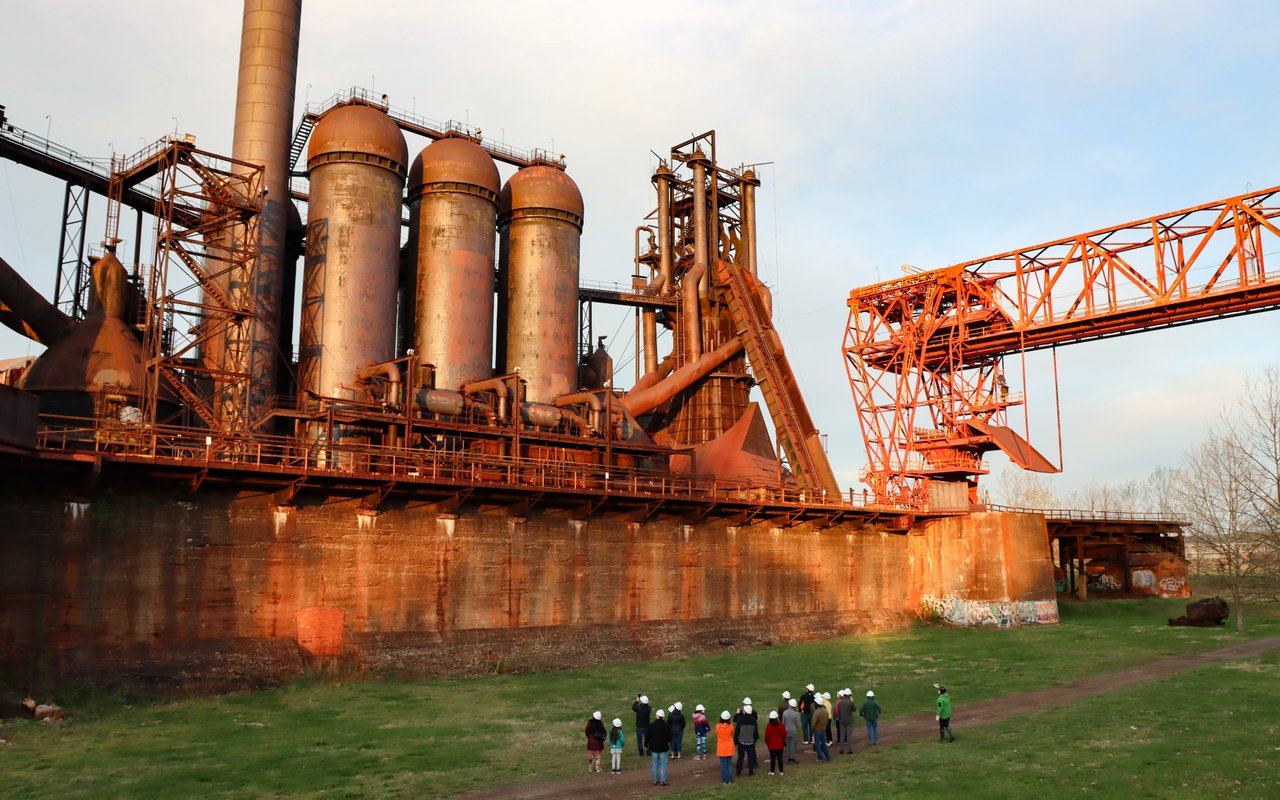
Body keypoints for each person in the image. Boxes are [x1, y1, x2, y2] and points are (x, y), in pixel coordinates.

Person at [647, 707, 672, 785]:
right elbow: (670, 737)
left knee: (655, 764)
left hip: (654, 748)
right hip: (663, 747)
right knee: (663, 764)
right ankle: (663, 780)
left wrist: (646, 745)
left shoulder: (651, 726)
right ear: (663, 717)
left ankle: (655, 780)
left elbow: (648, 737)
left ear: (657, 716)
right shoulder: (666, 726)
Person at [734, 702, 759, 777]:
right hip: (750, 742)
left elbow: (737, 731)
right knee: (751, 757)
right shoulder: (753, 720)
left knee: (740, 757)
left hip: (741, 742)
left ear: (745, 711)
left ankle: (738, 772)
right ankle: (751, 771)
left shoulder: (740, 719)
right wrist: (754, 740)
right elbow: (755, 732)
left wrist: (736, 741)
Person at [764, 709, 787, 776]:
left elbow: (767, 737)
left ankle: (772, 771)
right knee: (780, 758)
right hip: (780, 745)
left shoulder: (769, 726)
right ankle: (781, 771)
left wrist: (767, 743)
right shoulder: (781, 725)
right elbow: (784, 734)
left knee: (772, 759)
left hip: (772, 746)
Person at [716, 710, 736, 784]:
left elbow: (717, 734)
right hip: (729, 747)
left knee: (723, 764)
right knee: (729, 764)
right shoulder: (730, 726)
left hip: (721, 747)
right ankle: (730, 780)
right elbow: (732, 734)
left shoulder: (717, 726)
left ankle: (724, 780)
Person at [811, 694, 832, 761]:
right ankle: (828, 756)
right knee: (823, 744)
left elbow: (814, 722)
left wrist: (813, 728)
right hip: (823, 729)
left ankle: (820, 757)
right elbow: (827, 720)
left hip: (817, 730)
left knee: (818, 744)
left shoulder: (816, 712)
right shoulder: (825, 711)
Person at [782, 697, 801, 764]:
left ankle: (788, 758)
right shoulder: (796, 714)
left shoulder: (785, 713)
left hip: (786, 731)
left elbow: (783, 723)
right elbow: (798, 724)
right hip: (793, 731)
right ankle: (792, 758)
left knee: (787, 745)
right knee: (792, 744)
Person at [836, 688, 856, 754]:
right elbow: (854, 709)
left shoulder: (839, 702)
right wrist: (852, 701)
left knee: (842, 735)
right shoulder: (850, 702)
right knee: (849, 736)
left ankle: (841, 750)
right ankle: (849, 750)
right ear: (849, 695)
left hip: (841, 720)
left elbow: (838, 711)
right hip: (849, 721)